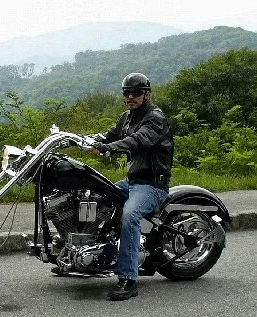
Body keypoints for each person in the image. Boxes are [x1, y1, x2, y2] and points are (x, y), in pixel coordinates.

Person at [92, 73, 174, 301]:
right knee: (95, 198)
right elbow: (108, 136)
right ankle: (90, 256)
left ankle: (129, 280)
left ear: (147, 94)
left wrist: (109, 148)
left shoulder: (155, 118)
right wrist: (82, 139)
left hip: (152, 185)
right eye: (126, 92)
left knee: (130, 215)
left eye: (136, 92)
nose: (130, 96)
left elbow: (139, 140)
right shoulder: (126, 117)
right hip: (132, 182)